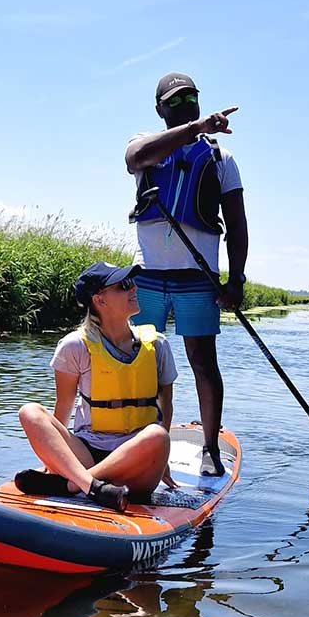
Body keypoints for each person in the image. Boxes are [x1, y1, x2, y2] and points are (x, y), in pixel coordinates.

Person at [124, 72, 249, 476]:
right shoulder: (144, 145)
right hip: (147, 278)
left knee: (202, 361)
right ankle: (137, 444)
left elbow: (238, 225)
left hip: (197, 277)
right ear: (160, 110)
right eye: (175, 102)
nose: (185, 106)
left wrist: (236, 281)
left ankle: (209, 447)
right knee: (141, 362)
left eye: (190, 99)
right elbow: (133, 160)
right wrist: (194, 128)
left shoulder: (221, 159)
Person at [15, 262, 178, 512]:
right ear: (99, 300)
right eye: (123, 285)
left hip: (138, 461)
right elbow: (63, 409)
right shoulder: (74, 346)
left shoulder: (158, 346)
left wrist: (162, 457)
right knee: (30, 412)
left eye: (132, 282)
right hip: (87, 452)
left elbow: (166, 406)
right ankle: (93, 487)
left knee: (157, 435)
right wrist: (52, 459)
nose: (133, 288)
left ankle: (71, 485)